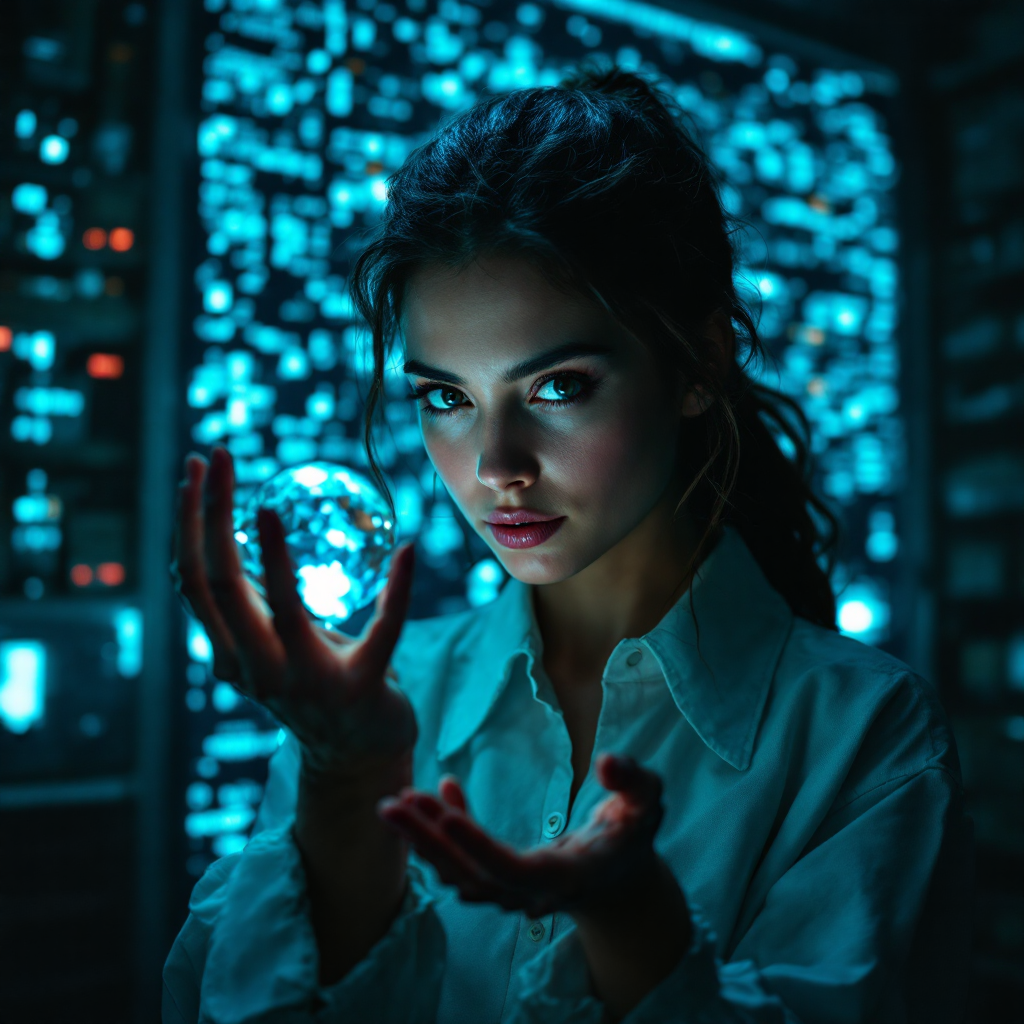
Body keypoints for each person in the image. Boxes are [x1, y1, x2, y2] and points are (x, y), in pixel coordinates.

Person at [163, 66, 972, 1024]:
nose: (496, 465)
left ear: (700, 362)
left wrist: (634, 925)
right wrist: (344, 791)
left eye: (557, 387)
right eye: (446, 398)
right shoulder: (371, 708)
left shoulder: (865, 739)